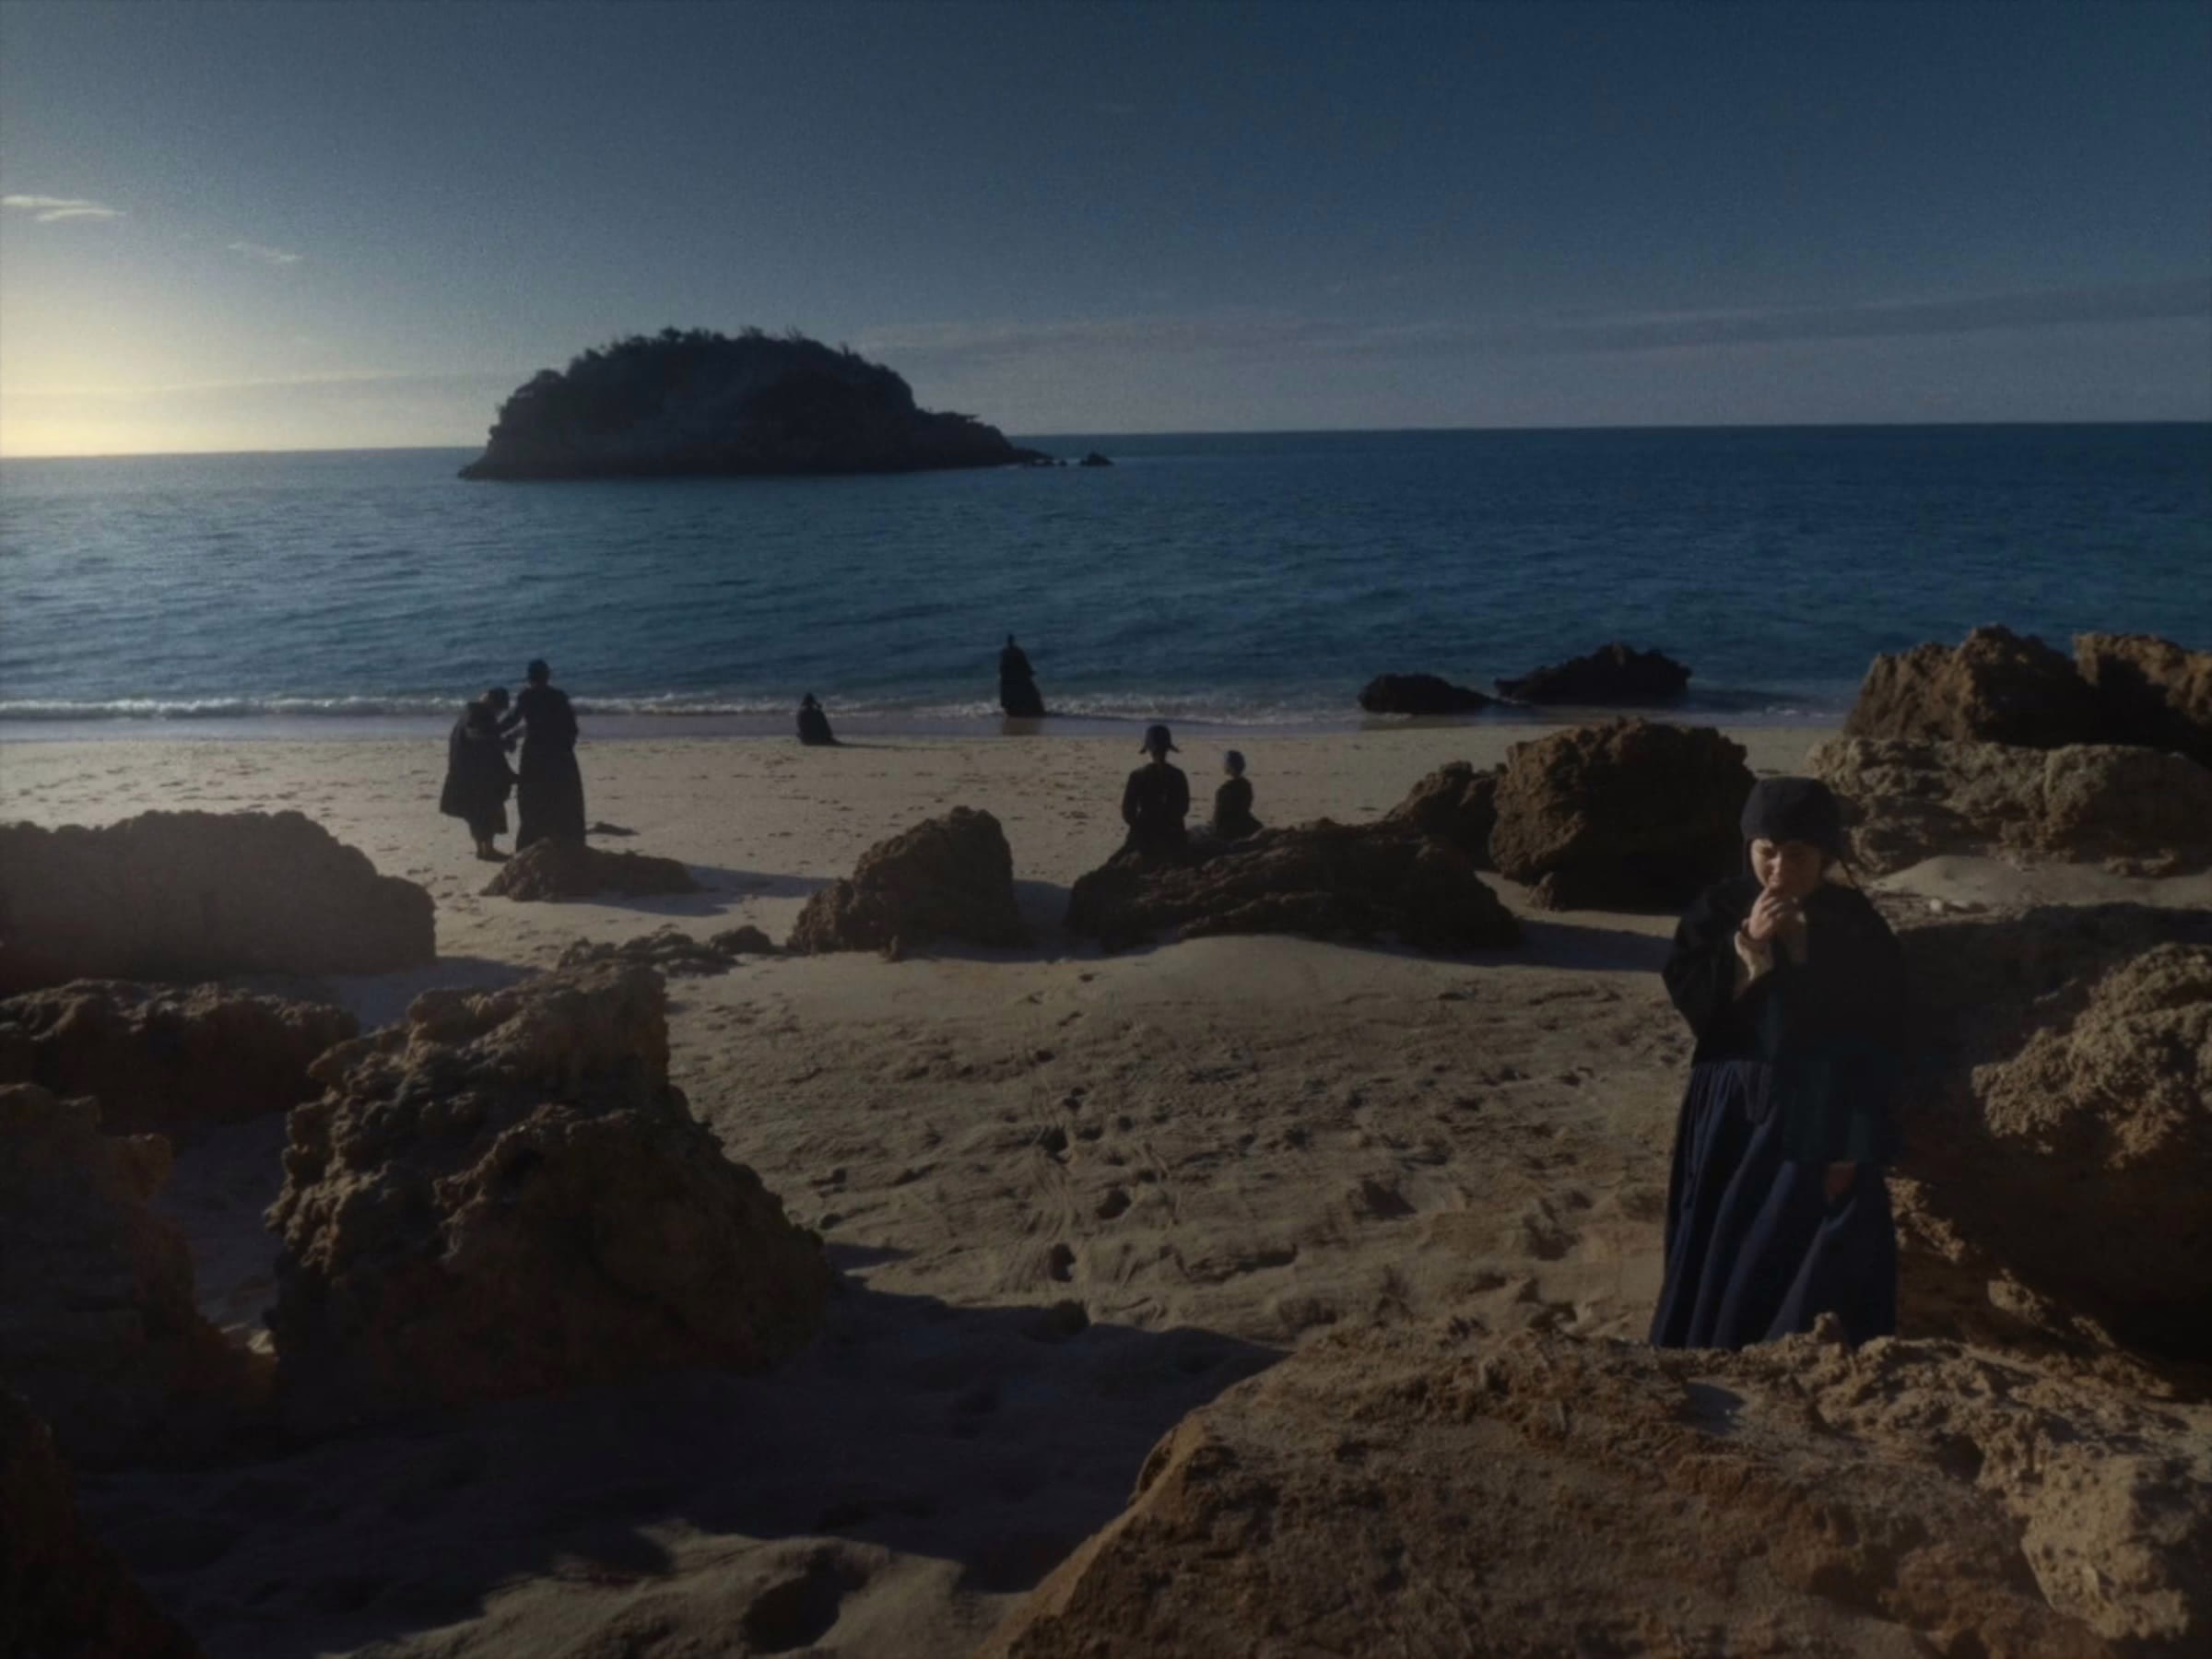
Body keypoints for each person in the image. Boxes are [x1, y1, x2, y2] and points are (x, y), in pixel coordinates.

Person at [1649, 777, 1905, 1350]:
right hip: (1732, 1108)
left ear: (1825, 856)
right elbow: (1697, 1002)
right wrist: (1751, 944)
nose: (1778, 870)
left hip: (1822, 1109)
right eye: (1766, 852)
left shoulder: (1854, 920)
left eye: (1797, 855)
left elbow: (1877, 1026)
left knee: (1820, 1246)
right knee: (1724, 1244)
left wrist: (1806, 952)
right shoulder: (1719, 908)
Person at [500, 658, 586, 849]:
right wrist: (566, 747)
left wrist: (492, 730)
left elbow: (513, 720)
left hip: (535, 752)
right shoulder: (559, 696)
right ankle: (567, 840)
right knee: (564, 797)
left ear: (529, 678)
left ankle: (532, 841)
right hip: (560, 753)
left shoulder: (527, 696)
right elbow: (572, 728)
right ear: (548, 676)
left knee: (532, 798)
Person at [438, 687, 517, 860]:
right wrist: (504, 742)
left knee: (476, 814)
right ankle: (488, 850)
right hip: (476, 775)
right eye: (498, 710)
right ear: (493, 704)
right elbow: (480, 737)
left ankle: (482, 850)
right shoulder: (479, 714)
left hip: (464, 771)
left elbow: (485, 736)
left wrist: (505, 739)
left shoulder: (471, 712)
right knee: (487, 811)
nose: (498, 714)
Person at [1119, 723, 1191, 859]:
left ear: (1148, 749)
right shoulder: (1178, 775)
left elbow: (1128, 812)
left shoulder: (1137, 776)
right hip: (1174, 836)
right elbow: (1184, 807)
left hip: (1144, 837)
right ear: (1168, 749)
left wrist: (1140, 826)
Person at [1209, 749, 1262, 841]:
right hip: (1244, 824)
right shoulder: (1247, 786)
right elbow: (1245, 809)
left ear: (1227, 767)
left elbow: (1218, 818)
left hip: (1228, 831)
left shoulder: (1224, 790)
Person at [998, 633, 1045, 718]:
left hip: (1008, 677)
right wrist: (1030, 671)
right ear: (1013, 641)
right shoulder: (1018, 651)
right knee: (1030, 692)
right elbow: (1024, 663)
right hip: (1018, 676)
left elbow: (1002, 666)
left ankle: (1013, 710)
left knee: (1009, 694)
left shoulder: (1004, 652)